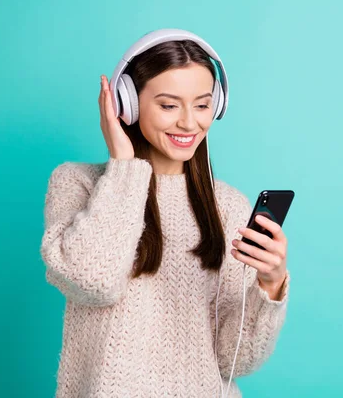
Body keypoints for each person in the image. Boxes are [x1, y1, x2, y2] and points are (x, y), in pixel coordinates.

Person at [39, 29, 291, 398]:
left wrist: (270, 285)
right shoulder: (77, 184)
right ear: (128, 104)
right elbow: (93, 282)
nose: (190, 123)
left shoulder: (230, 207)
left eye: (203, 105)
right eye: (169, 105)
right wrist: (124, 165)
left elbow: (235, 361)